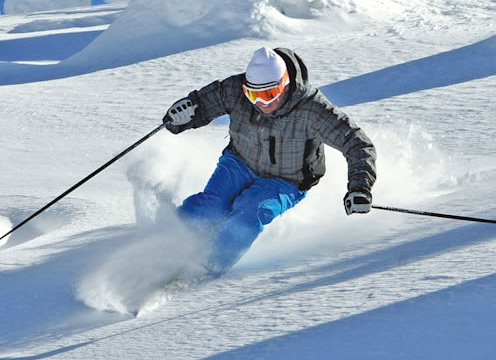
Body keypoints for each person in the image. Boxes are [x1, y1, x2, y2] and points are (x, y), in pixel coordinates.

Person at [161, 44, 376, 275]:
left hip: (286, 180)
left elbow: (356, 143)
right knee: (209, 207)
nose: (261, 103)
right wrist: (182, 116)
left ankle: (208, 265)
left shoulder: (312, 109)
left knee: (248, 211)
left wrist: (360, 187)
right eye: (253, 95)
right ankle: (162, 242)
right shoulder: (235, 90)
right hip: (239, 162)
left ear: (284, 84)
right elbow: (202, 104)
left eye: (268, 95)